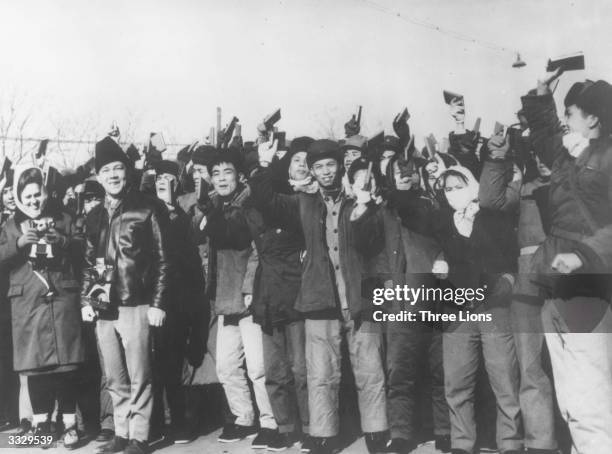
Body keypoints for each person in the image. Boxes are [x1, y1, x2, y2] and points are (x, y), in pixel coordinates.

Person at [251, 139, 389, 454]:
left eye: (330, 165)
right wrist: (263, 162)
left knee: (369, 369)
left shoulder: (359, 200)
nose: (325, 172)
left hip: (359, 298)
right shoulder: (303, 201)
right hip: (319, 299)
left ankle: (376, 431)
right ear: (311, 171)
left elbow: (372, 245)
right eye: (319, 167)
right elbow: (265, 200)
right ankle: (324, 434)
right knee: (322, 373)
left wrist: (367, 209)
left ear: (339, 166)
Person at [521, 73, 612, 453]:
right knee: (571, 402)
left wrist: (583, 253)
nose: (565, 121)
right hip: (556, 288)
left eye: (570, 113)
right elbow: (543, 136)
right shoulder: (569, 153)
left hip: (590, 289)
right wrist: (543, 95)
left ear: (593, 118)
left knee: (591, 404)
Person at [80, 136, 171, 454]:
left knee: (140, 374)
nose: (113, 175)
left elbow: (163, 259)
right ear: (98, 175)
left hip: (137, 304)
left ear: (127, 171)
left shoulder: (148, 207)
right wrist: (88, 301)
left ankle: (140, 437)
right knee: (114, 376)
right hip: (104, 308)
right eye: (106, 170)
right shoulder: (93, 216)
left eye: (118, 168)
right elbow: (91, 263)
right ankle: (121, 432)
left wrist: (158, 303)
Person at [432, 166, 522, 454]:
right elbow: (441, 257)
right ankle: (462, 444)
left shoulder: (493, 217)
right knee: (457, 382)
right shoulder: (445, 222)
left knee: (504, 379)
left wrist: (504, 282)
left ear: (472, 185)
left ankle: (510, 443)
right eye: (447, 188)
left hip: (492, 307)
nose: (453, 193)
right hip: (457, 309)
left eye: (458, 185)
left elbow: (508, 258)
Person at [478, 131, 558, 454]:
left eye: (546, 151)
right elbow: (490, 200)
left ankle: (559, 441)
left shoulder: (572, 180)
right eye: (534, 151)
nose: (540, 158)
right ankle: (529, 443)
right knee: (527, 366)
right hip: (525, 281)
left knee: (559, 365)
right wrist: (497, 157)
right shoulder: (523, 187)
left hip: (566, 279)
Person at [0, 165, 85, 449]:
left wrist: (60, 241)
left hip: (61, 300)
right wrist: (20, 243)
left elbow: (83, 246)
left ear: (45, 193)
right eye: (28, 195)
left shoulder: (63, 217)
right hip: (28, 305)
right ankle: (42, 426)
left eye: (38, 194)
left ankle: (70, 426)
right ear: (20, 196)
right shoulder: (10, 225)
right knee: (36, 369)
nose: (34, 200)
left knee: (66, 367)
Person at [199, 148, 278, 449]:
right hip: (224, 300)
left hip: (248, 298)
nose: (221, 178)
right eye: (215, 173)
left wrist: (249, 289)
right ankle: (244, 417)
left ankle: (271, 422)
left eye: (227, 172)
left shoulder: (250, 205)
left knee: (258, 367)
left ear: (239, 175)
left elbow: (259, 250)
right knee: (226, 366)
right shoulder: (214, 207)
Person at [246, 137, 313, 451]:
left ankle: (313, 426)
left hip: (297, 291)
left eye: (306, 160)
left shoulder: (307, 199)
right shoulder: (278, 196)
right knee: (275, 369)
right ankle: (287, 427)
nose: (301, 165)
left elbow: (268, 200)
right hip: (268, 294)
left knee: (302, 368)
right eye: (296, 159)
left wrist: (261, 167)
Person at [151, 160, 209, 444]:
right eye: (158, 176)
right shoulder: (147, 212)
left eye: (169, 177)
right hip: (152, 299)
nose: (163, 181)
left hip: (182, 301)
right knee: (156, 365)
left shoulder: (186, 217)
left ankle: (180, 421)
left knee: (177, 364)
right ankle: (158, 423)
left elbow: (191, 262)